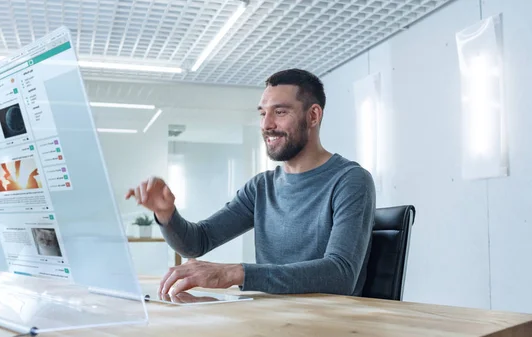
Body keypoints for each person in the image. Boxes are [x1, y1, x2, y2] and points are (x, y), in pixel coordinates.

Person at [126, 68, 376, 297]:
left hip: (329, 325)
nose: (266, 125)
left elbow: (340, 274)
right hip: (271, 319)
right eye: (263, 113)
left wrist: (234, 273)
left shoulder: (350, 181)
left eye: (280, 112)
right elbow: (197, 242)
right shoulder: (261, 188)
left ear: (313, 116)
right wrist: (166, 214)